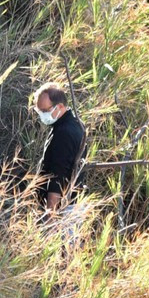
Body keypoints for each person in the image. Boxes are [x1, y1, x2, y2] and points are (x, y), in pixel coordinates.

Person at [32, 82, 86, 212]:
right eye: (39, 111)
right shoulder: (74, 125)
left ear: (60, 106)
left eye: (45, 111)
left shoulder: (64, 132)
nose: (42, 115)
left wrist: (50, 214)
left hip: (63, 208)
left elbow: (58, 175)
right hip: (70, 204)